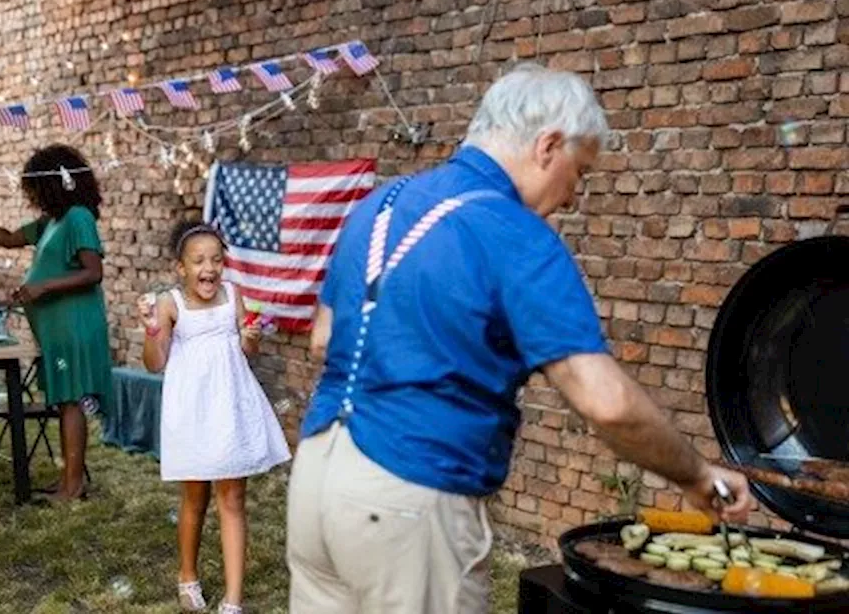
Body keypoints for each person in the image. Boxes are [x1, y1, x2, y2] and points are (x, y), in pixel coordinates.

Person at [286, 63, 755, 613]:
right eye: (579, 172)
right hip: (411, 495)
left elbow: (323, 338)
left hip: (317, 478)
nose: (574, 197)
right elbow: (605, 403)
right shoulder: (513, 231)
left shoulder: (378, 206)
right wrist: (697, 476)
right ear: (548, 145)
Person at [0, 144, 112, 502]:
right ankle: (68, 478)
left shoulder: (79, 217)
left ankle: (73, 485)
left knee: (72, 401)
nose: (30, 195)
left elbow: (93, 272)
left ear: (51, 184)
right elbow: (6, 238)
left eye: (33, 187)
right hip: (57, 329)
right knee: (65, 401)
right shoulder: (52, 222)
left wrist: (44, 285)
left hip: (75, 327)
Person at [138, 221, 291, 614]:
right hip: (192, 409)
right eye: (199, 261)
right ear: (181, 268)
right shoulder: (170, 303)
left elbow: (246, 347)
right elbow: (155, 364)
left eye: (216, 260)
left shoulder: (233, 295)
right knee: (195, 496)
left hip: (231, 407)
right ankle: (187, 575)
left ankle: (233, 599)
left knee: (233, 496)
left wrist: (251, 338)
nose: (209, 268)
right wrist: (152, 330)